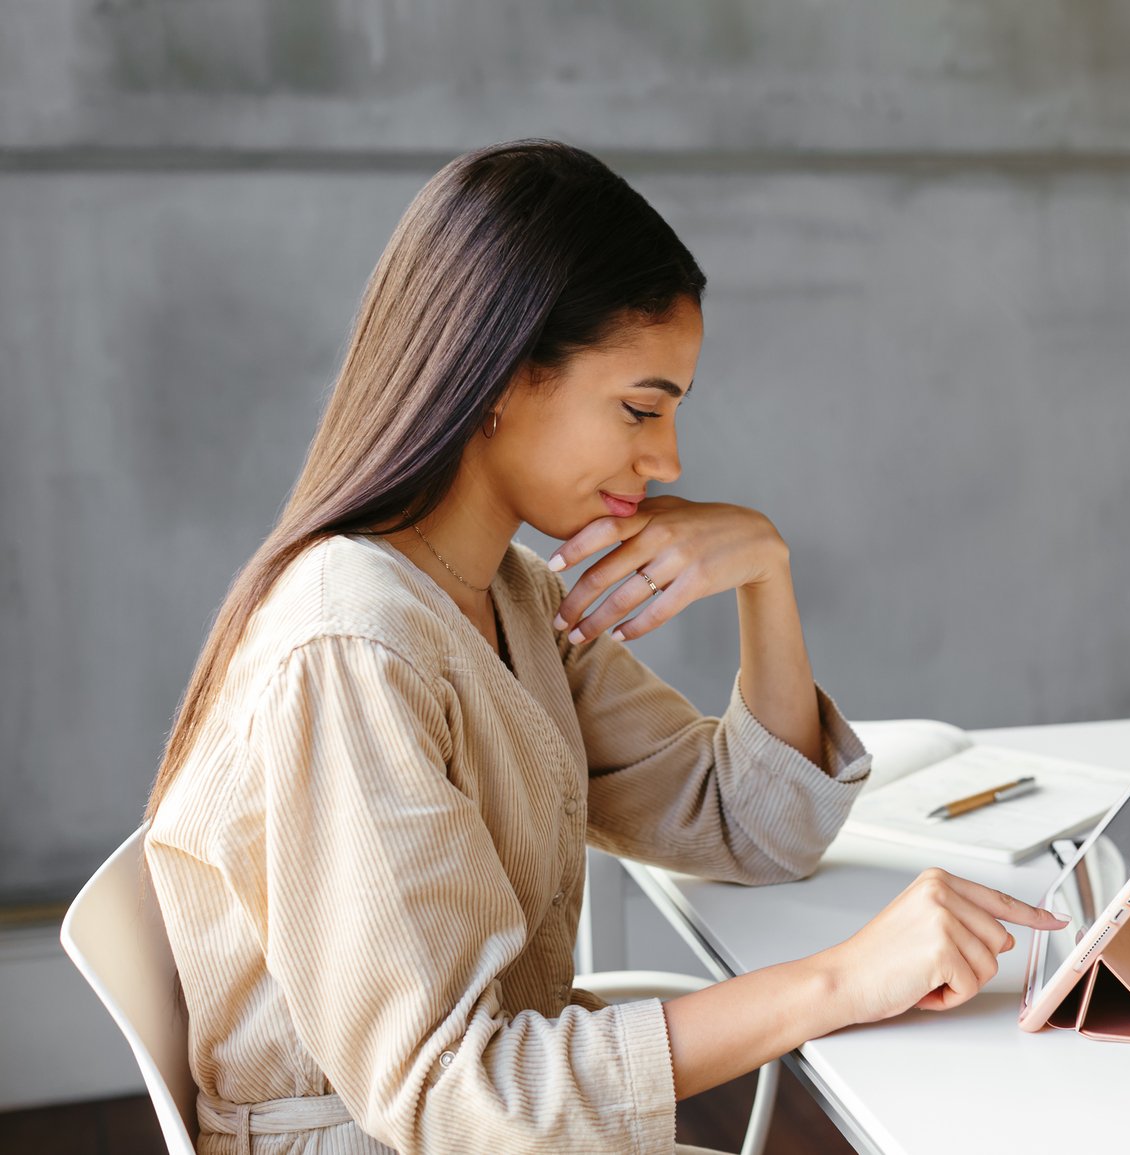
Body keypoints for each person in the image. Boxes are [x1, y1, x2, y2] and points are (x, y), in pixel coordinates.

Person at [141, 139, 1069, 1154]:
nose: (666, 460)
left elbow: (754, 830)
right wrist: (838, 982)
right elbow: (456, 1096)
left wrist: (764, 568)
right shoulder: (353, 649)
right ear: (495, 377)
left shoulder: (508, 596)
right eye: (638, 408)